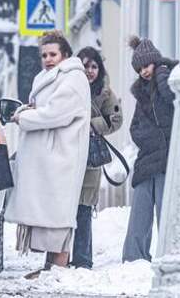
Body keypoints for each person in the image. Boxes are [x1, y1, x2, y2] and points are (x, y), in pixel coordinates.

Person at [4, 30, 91, 279]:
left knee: (59, 212)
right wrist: (29, 110)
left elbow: (57, 113)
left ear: (65, 54)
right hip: (49, 155)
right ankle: (49, 266)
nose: (48, 59)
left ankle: (59, 269)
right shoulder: (48, 76)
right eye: (44, 55)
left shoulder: (73, 78)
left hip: (62, 154)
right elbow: (46, 108)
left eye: (53, 54)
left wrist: (24, 117)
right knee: (49, 209)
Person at [122, 36, 178, 263]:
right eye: (140, 68)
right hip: (147, 159)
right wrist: (150, 140)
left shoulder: (171, 80)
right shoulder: (141, 94)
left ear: (155, 62)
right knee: (140, 211)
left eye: (147, 65)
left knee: (165, 211)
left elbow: (172, 99)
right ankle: (134, 258)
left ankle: (169, 256)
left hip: (166, 159)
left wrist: (163, 74)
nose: (144, 71)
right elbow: (134, 128)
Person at [71, 46, 123, 269]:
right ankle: (58, 257)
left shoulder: (105, 93)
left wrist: (93, 124)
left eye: (94, 66)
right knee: (64, 207)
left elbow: (116, 119)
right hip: (68, 154)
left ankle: (83, 258)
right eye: (85, 65)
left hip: (91, 157)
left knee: (84, 206)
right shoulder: (69, 88)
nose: (89, 71)